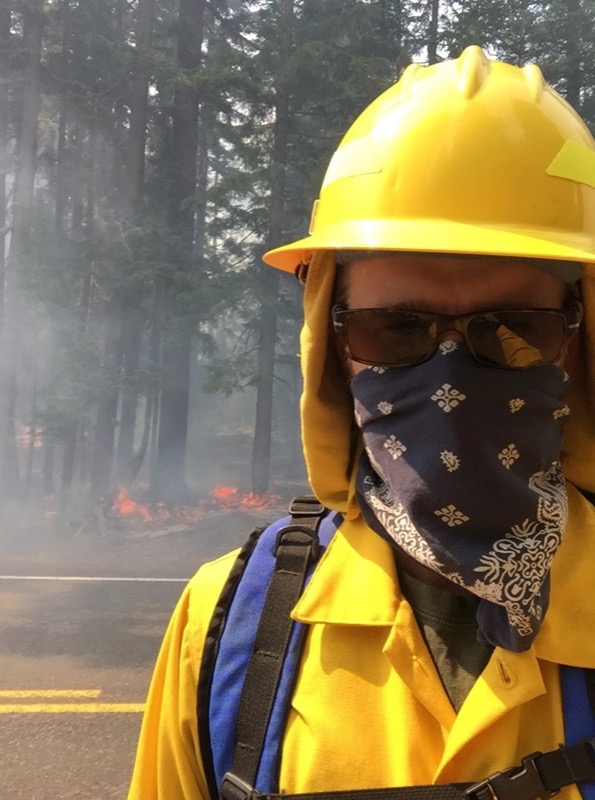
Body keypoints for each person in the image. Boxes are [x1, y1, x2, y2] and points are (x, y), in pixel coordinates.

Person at [128, 45, 595, 800]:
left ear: (575, 341)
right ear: (333, 346)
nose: (449, 375)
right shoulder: (228, 628)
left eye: (510, 330)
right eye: (395, 330)